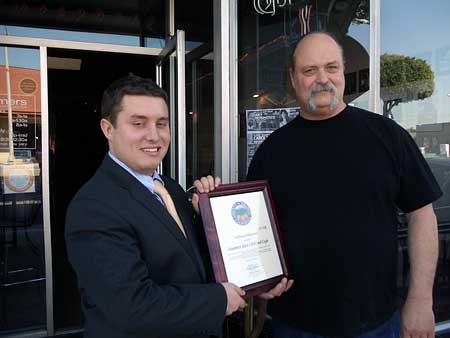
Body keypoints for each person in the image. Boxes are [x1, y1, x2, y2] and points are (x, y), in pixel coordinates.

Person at [247, 32, 441, 338]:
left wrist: (420, 300)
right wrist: (259, 283)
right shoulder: (270, 153)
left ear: (343, 73)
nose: (322, 79)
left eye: (331, 68)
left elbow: (422, 214)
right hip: (294, 325)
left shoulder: (387, 136)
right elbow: (255, 235)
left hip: (376, 323)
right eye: (309, 70)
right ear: (293, 78)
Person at [65, 74, 253, 338]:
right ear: (108, 129)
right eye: (138, 123)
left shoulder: (170, 188)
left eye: (161, 124)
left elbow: (188, 263)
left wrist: (210, 218)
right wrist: (218, 300)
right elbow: (132, 308)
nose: (154, 136)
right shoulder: (93, 207)